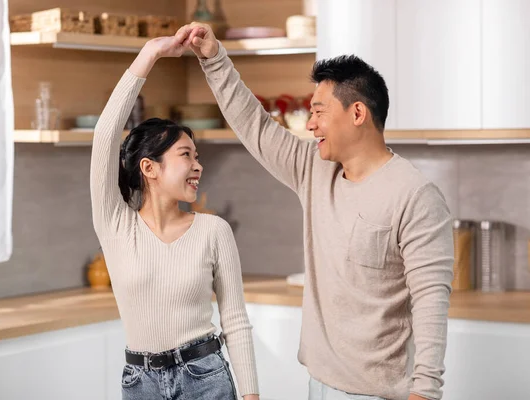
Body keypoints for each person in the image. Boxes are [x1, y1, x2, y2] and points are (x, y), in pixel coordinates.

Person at [176, 23, 454, 400]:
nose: (310, 124)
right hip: (318, 386)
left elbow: (431, 303)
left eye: (319, 112)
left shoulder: (415, 194)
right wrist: (213, 58)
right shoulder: (314, 169)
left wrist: (425, 392)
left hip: (378, 394)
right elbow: (254, 125)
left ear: (357, 113)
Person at [90, 34, 260, 400]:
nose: (198, 166)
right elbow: (104, 136)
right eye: (186, 155)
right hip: (141, 382)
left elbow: (235, 321)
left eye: (197, 156)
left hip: (206, 376)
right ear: (149, 167)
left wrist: (251, 396)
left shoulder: (213, 230)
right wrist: (149, 54)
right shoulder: (116, 225)